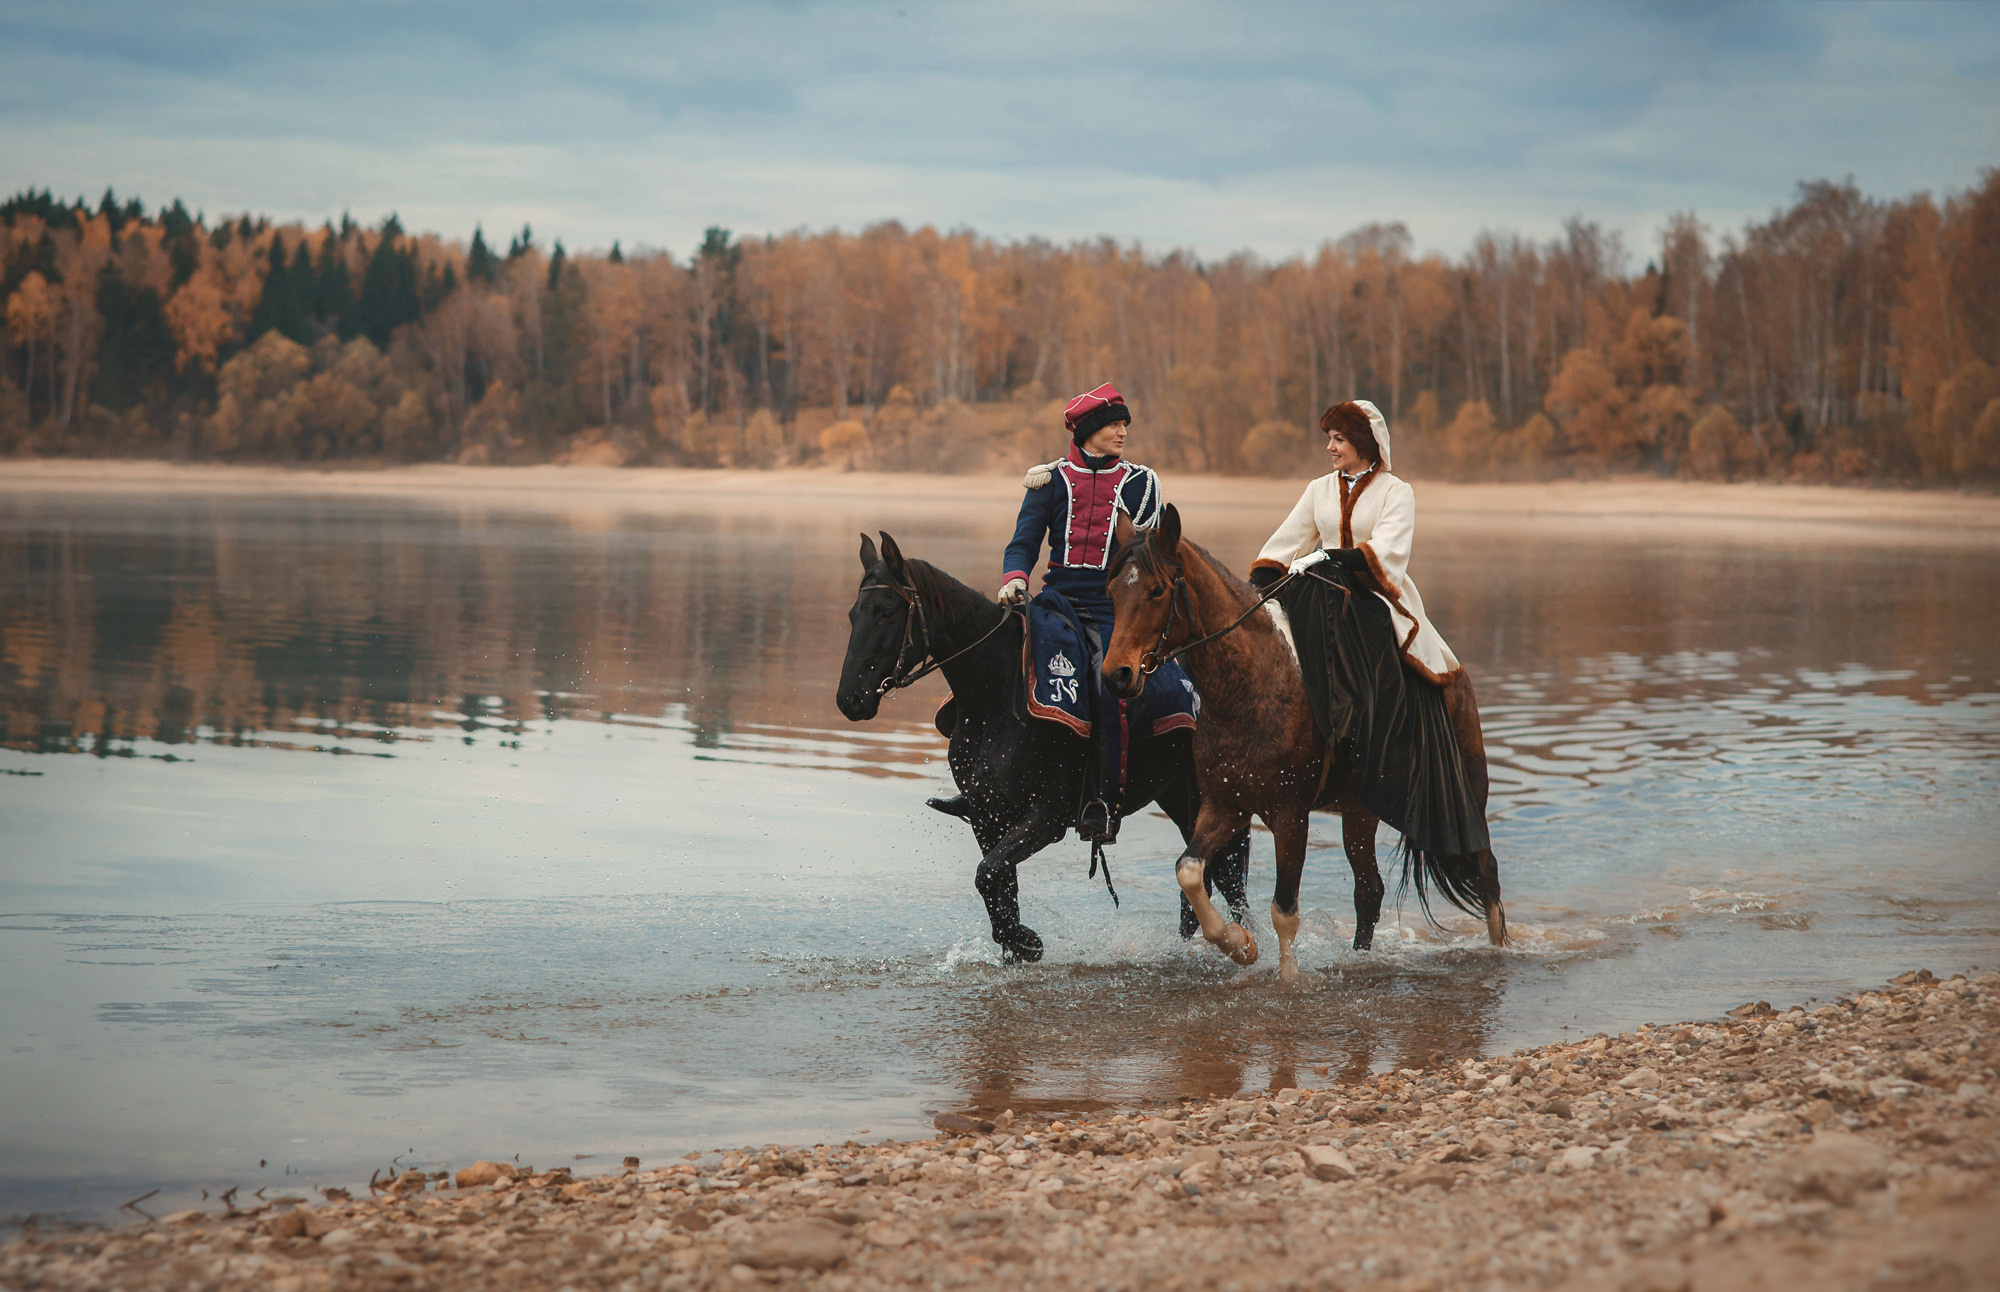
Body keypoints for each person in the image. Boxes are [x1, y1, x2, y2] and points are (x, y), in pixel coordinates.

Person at [930, 383, 1163, 842]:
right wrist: (1014, 577)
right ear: (1090, 430)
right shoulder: (1049, 481)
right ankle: (978, 784)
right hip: (1054, 602)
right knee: (996, 666)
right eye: (1114, 424)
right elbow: (1022, 542)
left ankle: (1100, 797)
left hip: (1111, 608)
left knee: (1103, 680)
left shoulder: (1140, 483)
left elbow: (1150, 554)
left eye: (1124, 425)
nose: (1122, 432)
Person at [1247, 399, 1460, 686]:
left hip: (1376, 594)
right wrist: (1256, 586)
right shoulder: (1318, 489)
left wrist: (1327, 557)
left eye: (1339, 439)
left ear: (1362, 442)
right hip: (1323, 590)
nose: (1330, 447)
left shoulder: (1396, 492)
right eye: (1329, 439)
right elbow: (1285, 543)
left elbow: (1387, 552)